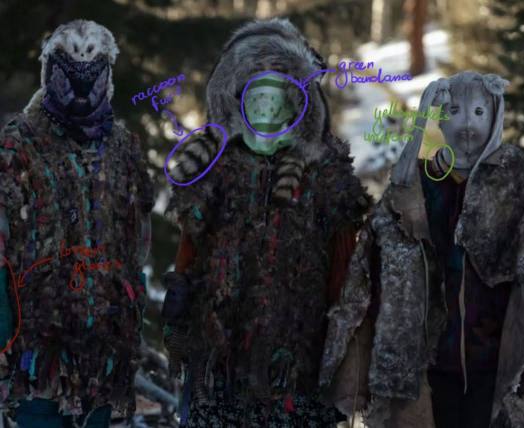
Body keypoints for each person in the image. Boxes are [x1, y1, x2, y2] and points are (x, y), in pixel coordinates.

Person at [162, 18, 371, 427]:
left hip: (296, 357)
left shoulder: (325, 174)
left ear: (298, 104)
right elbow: (191, 247)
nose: (266, 109)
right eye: (256, 97)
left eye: (276, 98)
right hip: (220, 355)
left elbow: (344, 268)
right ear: (238, 100)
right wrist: (180, 298)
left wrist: (344, 341)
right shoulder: (217, 168)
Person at [320, 71, 524, 428]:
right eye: (454, 111)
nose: (467, 125)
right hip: (425, 373)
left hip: (497, 371)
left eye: (479, 112)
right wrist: (354, 372)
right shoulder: (416, 188)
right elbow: (367, 280)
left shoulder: (518, 183)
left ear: (495, 115)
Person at [0, 20, 153, 427]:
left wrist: (133, 312)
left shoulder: (123, 147)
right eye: (69, 77)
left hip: (105, 350)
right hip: (36, 350)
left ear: (107, 76)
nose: (81, 91)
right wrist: (3, 331)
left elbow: (137, 244)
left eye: (92, 77)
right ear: (50, 73)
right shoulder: (18, 144)